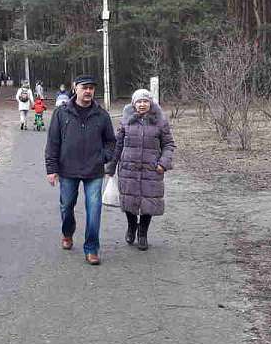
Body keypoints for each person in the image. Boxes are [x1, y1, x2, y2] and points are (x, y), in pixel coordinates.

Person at [45, 75, 116, 265]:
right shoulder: (61, 113)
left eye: (91, 88)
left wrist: (104, 157)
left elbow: (111, 142)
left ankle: (91, 248)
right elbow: (52, 143)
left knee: (94, 209)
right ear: (75, 88)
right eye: (84, 87)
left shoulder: (102, 115)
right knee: (66, 206)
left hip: (94, 170)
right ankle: (67, 232)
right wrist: (51, 169)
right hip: (67, 169)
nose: (88, 91)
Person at [107, 89, 176, 251]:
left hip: (151, 170)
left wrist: (163, 163)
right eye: (139, 101)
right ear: (134, 104)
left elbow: (168, 144)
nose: (142, 104)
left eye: (145, 101)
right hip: (128, 169)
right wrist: (111, 166)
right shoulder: (126, 121)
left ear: (150, 103)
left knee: (149, 202)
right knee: (129, 201)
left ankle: (143, 233)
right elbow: (118, 144)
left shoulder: (160, 121)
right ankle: (132, 226)